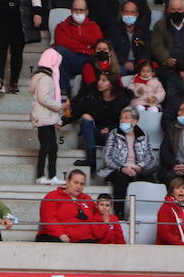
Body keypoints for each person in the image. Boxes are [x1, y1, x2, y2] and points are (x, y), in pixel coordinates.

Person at [100, 107, 158, 211]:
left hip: (137, 169)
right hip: (117, 170)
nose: (123, 120)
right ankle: (119, 213)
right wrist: (122, 168)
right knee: (121, 178)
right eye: (121, 118)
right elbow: (107, 158)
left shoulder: (143, 135)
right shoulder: (114, 134)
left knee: (149, 179)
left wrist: (140, 167)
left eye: (126, 118)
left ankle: (146, 212)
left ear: (135, 121)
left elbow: (151, 157)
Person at [74, 72, 132, 171]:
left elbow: (127, 125)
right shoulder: (94, 96)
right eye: (99, 80)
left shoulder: (122, 100)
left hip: (113, 133)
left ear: (111, 84)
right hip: (96, 132)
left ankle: (111, 165)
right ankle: (91, 160)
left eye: (103, 80)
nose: (99, 83)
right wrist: (62, 121)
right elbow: (78, 110)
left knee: (112, 135)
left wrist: (111, 129)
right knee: (85, 117)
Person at [55, 0, 106, 92]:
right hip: (71, 60)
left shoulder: (94, 26)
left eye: (81, 10)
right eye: (76, 10)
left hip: (89, 59)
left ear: (87, 12)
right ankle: (64, 90)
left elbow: (98, 42)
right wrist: (87, 46)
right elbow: (62, 43)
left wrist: (74, 39)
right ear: (71, 10)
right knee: (59, 51)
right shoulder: (61, 27)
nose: (78, 13)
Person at [31, 48, 65, 185]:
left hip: (47, 117)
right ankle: (41, 176)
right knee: (46, 147)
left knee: (52, 147)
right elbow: (43, 98)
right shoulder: (45, 78)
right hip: (44, 117)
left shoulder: (42, 77)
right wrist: (60, 106)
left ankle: (52, 175)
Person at [155, 177, 184, 245]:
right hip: (168, 248)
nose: (181, 191)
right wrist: (183, 246)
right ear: (172, 192)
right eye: (177, 188)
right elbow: (164, 234)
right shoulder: (165, 208)